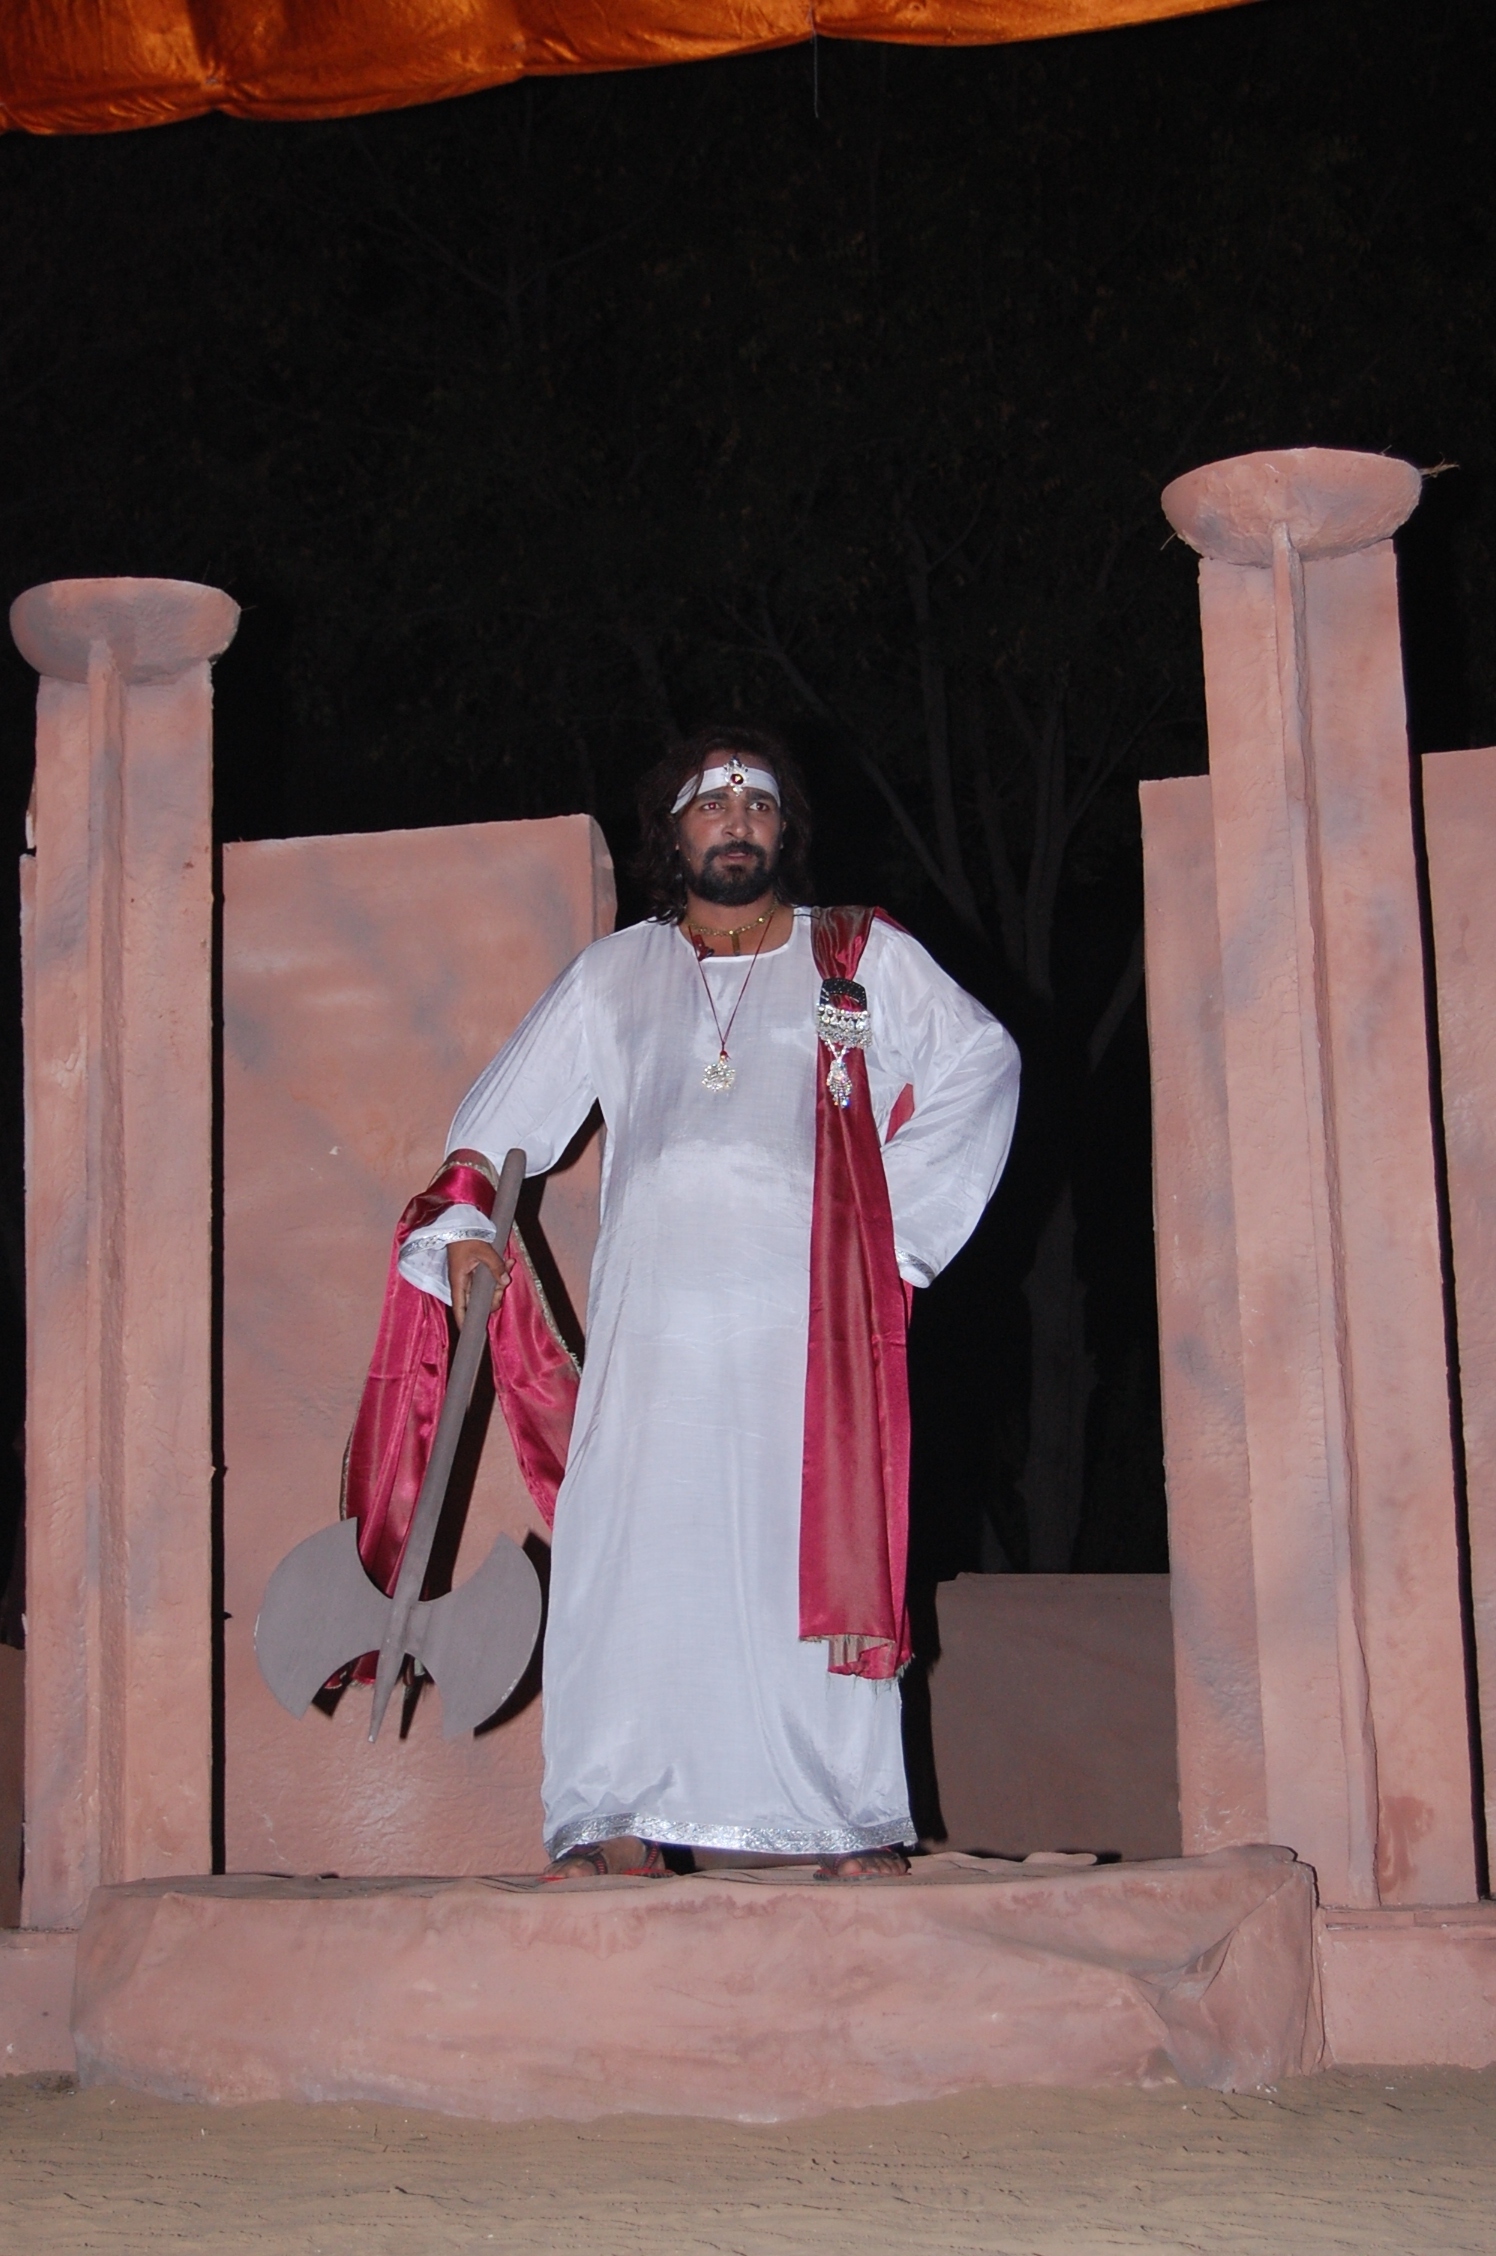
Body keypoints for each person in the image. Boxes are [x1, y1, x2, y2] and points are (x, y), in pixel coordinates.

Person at [389, 727, 1019, 1879]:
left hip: (806, 1329)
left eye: (758, 805)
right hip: (654, 1331)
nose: (737, 820)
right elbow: (500, 1123)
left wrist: (894, 1240)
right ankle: (612, 1817)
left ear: (784, 832)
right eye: (710, 804)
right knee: (625, 1550)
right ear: (671, 834)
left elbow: (979, 1063)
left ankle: (840, 1820)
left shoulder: (856, 954)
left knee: (805, 1550)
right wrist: (467, 1227)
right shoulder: (614, 974)